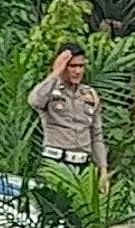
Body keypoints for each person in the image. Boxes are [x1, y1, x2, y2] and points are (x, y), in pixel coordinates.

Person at [28, 45, 108, 185]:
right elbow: (34, 101)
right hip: (55, 164)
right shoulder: (50, 91)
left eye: (81, 66)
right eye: (72, 66)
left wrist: (103, 172)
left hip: (82, 168)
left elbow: (97, 135)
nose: (77, 71)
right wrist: (55, 73)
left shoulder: (88, 94)